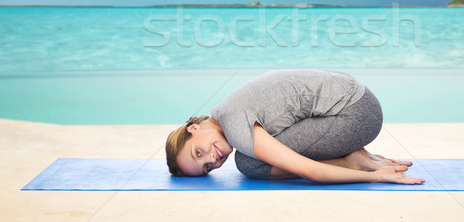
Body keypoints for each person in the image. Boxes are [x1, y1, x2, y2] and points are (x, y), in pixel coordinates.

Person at [165, 69, 424, 184]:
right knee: (255, 153)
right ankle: (355, 153)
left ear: (193, 129)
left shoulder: (235, 124)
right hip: (359, 100)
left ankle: (352, 159)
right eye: (207, 168)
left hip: (357, 116)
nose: (212, 159)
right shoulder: (225, 109)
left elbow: (309, 171)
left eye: (198, 153)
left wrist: (373, 176)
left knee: (249, 163)